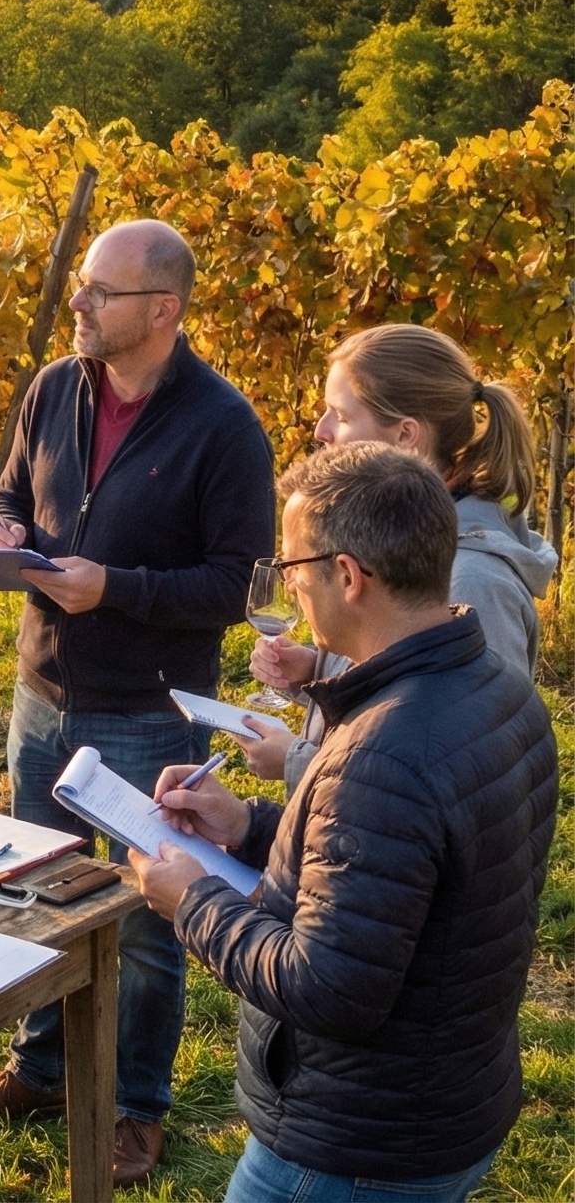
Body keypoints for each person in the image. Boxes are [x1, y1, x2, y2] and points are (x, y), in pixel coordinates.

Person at [0, 218, 275, 1187]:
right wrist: (0, 531)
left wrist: (113, 586)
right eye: (83, 287)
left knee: (143, 915)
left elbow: (230, 585)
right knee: (41, 885)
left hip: (148, 711)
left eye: (99, 291)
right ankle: (40, 1068)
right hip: (41, 692)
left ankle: (136, 1108)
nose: (77, 302)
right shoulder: (53, 389)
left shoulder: (223, 425)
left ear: (161, 310)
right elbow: (9, 497)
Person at [130, 443, 556, 1203]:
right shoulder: (495, 686)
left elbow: (328, 987)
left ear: (349, 576)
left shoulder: (383, 751)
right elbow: (406, 874)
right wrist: (245, 826)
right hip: (448, 1101)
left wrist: (192, 901)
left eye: (295, 568)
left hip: (354, 1146)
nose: (290, 588)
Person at [240, 322, 558, 792]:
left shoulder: (471, 579)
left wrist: (297, 761)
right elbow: (406, 681)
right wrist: (317, 669)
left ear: (406, 434)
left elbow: (470, 769)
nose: (320, 431)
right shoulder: (404, 538)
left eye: (340, 415)